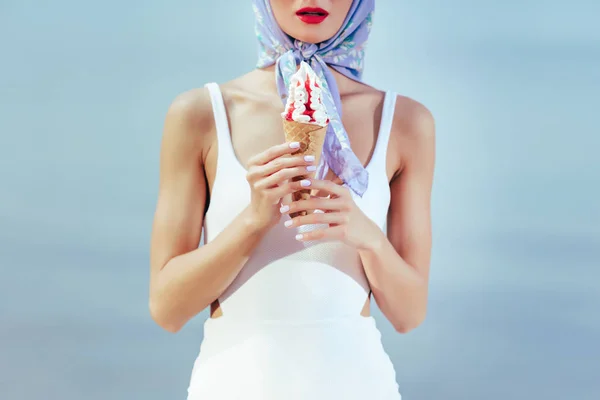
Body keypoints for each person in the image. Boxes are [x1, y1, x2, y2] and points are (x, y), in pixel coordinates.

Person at [149, 0, 435, 398]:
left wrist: (366, 235)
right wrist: (253, 221)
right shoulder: (201, 114)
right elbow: (167, 308)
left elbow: (409, 315)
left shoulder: (404, 121)